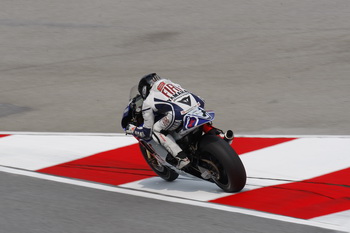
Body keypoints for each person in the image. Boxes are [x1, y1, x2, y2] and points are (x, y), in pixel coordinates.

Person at [125, 73, 206, 170]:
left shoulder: (148, 101)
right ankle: (220, 136)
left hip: (178, 114)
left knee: (155, 130)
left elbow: (147, 132)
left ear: (144, 90)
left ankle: (182, 158)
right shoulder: (171, 83)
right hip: (199, 102)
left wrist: (133, 129)